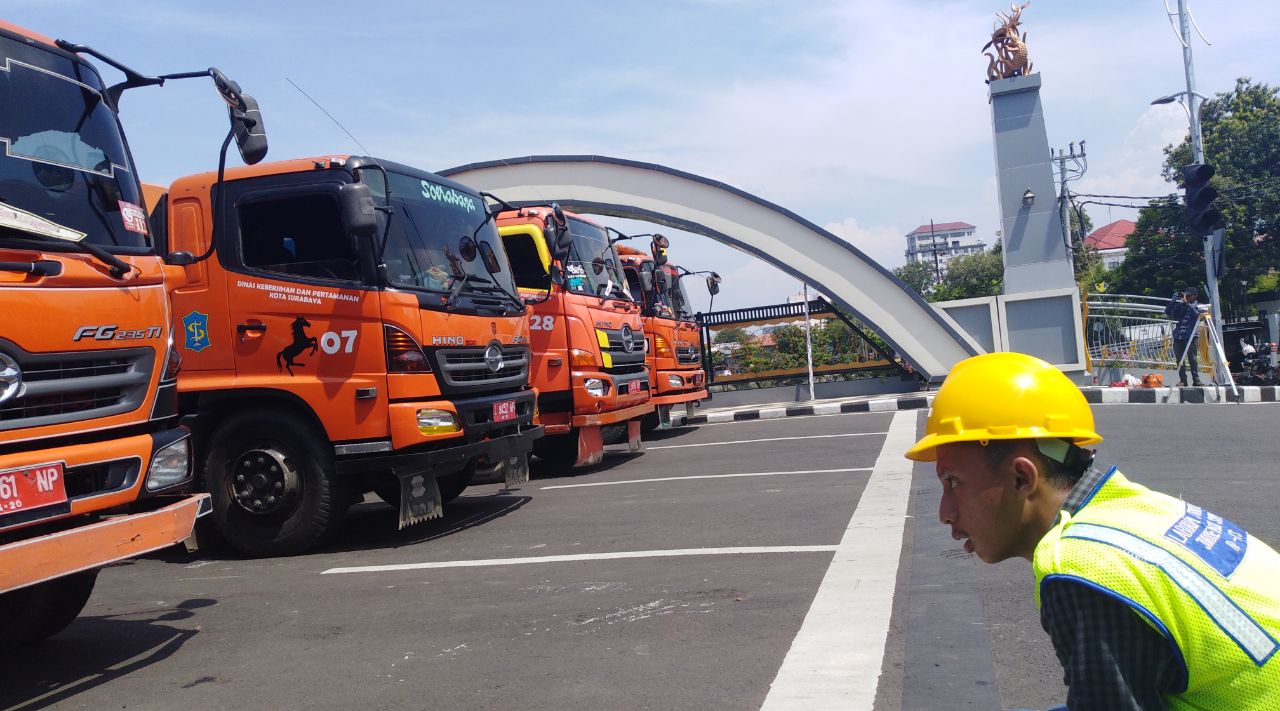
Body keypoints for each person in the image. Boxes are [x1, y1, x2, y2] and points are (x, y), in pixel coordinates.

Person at [905, 352, 1280, 710]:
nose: (944, 513)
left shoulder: (1079, 565)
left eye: (952, 482)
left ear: (1022, 477)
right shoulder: (1137, 507)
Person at [1165, 286, 1205, 386]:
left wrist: (1188, 304)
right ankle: (1183, 380)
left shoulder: (1199, 306)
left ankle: (1196, 379)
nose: (1186, 297)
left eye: (1188, 296)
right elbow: (1168, 313)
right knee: (1180, 360)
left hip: (1191, 336)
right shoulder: (1181, 305)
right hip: (1179, 335)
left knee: (1193, 359)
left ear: (1195, 296)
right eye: (1185, 295)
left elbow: (1197, 315)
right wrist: (1172, 302)